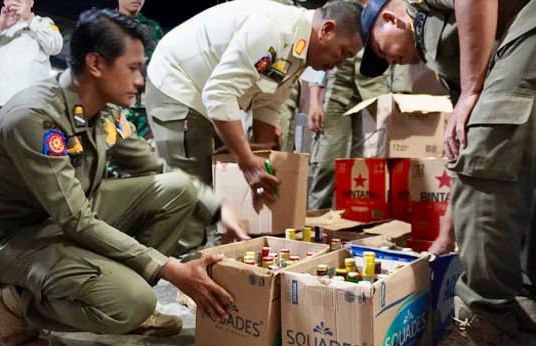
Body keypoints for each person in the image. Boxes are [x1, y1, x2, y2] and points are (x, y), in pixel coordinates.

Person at [0, 9, 248, 346]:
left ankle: (111, 283)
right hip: (18, 236)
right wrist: (166, 268)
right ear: (96, 64)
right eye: (132, 68)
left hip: (68, 217)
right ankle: (14, 304)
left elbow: (155, 168)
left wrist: (219, 208)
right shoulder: (35, 118)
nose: (140, 80)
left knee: (177, 190)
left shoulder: (103, 111)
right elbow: (75, 220)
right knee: (132, 303)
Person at [359, 0, 536, 344]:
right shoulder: (450, 63)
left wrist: (472, 90)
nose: (388, 62)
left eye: (381, 50)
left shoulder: (418, 4)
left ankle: (487, 320)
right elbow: (462, 150)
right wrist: (446, 235)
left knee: (489, 146)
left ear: (390, 18)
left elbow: (478, 158)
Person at [145, 0, 362, 213]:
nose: (340, 64)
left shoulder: (300, 51)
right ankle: (183, 249)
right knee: (195, 197)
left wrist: (263, 157)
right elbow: (219, 95)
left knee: (218, 194)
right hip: (177, 84)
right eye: (343, 52)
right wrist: (248, 162)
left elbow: (268, 104)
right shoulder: (274, 29)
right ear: (327, 30)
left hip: (207, 96)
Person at [307, 51, 412, 209]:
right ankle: (316, 218)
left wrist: (401, 90)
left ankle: (358, 213)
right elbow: (323, 46)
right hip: (339, 82)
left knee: (376, 160)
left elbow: (398, 40)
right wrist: (314, 101)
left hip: (376, 80)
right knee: (328, 159)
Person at [0, 0, 63, 107]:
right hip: (3, 101)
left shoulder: (42, 22)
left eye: (20, 1)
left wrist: (29, 19)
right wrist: (1, 26)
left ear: (30, 3)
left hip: (31, 104)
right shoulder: (2, 26)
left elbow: (56, 47)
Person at [117, 0, 164, 139]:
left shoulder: (152, 28)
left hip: (147, 108)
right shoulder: (105, 26)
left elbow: (161, 67)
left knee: (146, 154)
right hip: (115, 107)